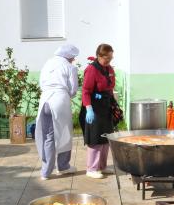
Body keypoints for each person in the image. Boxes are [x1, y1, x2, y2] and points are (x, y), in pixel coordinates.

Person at [35, 44, 79, 180]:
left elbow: (41, 84)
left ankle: (45, 172)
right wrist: (66, 94)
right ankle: (63, 166)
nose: (73, 59)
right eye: (73, 57)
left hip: (45, 100)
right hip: (60, 100)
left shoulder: (47, 64)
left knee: (48, 136)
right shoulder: (70, 67)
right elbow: (73, 89)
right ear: (69, 56)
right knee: (64, 133)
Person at [80, 44, 116, 179]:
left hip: (105, 106)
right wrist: (88, 109)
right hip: (93, 108)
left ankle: (102, 166)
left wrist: (114, 104)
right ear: (99, 56)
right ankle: (91, 169)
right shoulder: (91, 69)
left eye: (111, 58)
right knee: (95, 138)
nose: (109, 61)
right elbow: (86, 91)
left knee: (106, 138)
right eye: (107, 58)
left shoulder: (109, 69)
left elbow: (110, 87)